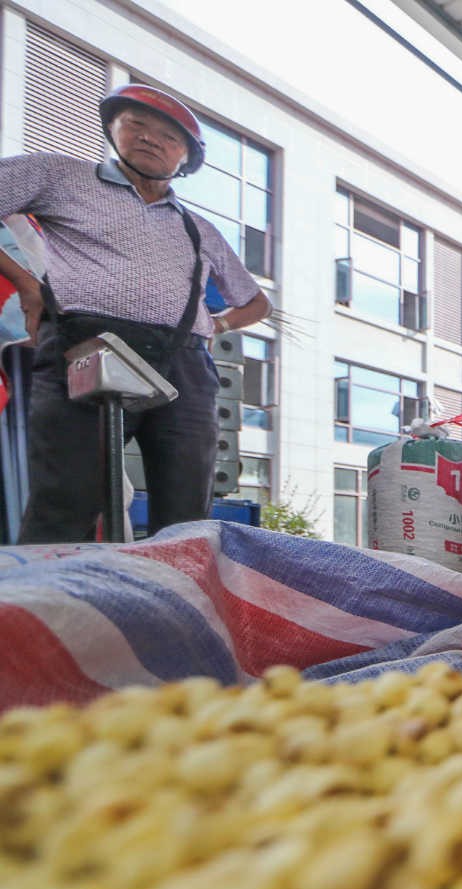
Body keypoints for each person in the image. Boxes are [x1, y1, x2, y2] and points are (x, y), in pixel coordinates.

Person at [0, 84, 271, 544]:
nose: (150, 139)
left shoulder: (199, 227)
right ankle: (54, 612)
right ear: (114, 130)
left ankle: (176, 609)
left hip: (184, 363)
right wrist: (27, 284)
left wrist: (216, 325)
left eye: (169, 137)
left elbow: (257, 302)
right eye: (137, 125)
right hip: (84, 346)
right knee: (66, 503)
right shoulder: (60, 175)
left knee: (186, 514)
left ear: (185, 159)